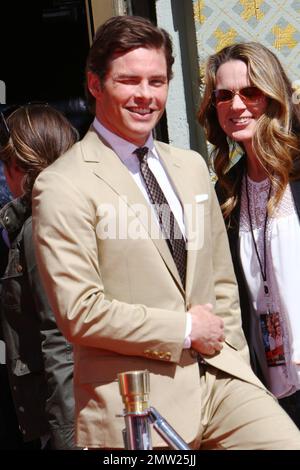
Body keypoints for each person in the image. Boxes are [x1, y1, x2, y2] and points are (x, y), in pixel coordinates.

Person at [32, 16, 300, 450]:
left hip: (223, 384)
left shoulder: (190, 167)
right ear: (95, 85)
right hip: (135, 401)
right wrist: (183, 330)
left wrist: (231, 354)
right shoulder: (63, 184)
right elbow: (80, 310)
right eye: (129, 80)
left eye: (157, 81)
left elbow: (220, 282)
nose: (145, 95)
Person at [198, 41, 300, 429]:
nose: (236, 105)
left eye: (250, 92)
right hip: (268, 390)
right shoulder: (226, 193)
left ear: (273, 97)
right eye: (224, 96)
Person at [0, 104, 79, 449]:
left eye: (6, 165)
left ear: (22, 167)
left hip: (64, 423)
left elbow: (60, 339)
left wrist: (67, 439)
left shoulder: (39, 227)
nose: (4, 176)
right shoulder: (33, 223)